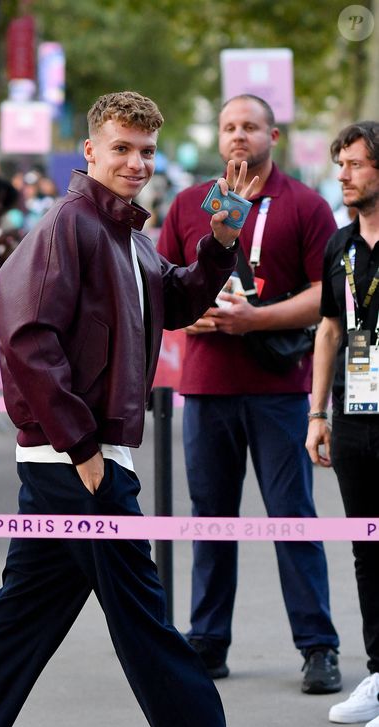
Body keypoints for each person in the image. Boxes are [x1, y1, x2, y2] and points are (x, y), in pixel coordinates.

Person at [0, 91, 295, 727]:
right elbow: (28, 340)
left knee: (21, 618)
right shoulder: (70, 226)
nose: (136, 162)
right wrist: (84, 448)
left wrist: (219, 240)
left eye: (146, 151)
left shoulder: (124, 233)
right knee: (145, 617)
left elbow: (179, 301)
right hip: (80, 461)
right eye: (122, 148)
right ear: (88, 152)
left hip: (79, 457)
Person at [157, 94, 341, 693]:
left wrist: (255, 320)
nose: (240, 136)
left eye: (251, 127)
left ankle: (318, 646)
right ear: (218, 135)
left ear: (274, 135)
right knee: (210, 517)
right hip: (207, 386)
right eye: (230, 127)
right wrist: (196, 319)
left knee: (293, 517)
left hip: (280, 389)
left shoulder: (306, 206)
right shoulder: (189, 204)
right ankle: (208, 640)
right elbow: (160, 292)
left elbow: (326, 294)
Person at [306, 121, 379, 727]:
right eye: (341, 164)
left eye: (356, 163)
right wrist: (317, 413)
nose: (344, 174)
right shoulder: (340, 246)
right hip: (356, 413)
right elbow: (330, 330)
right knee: (366, 549)